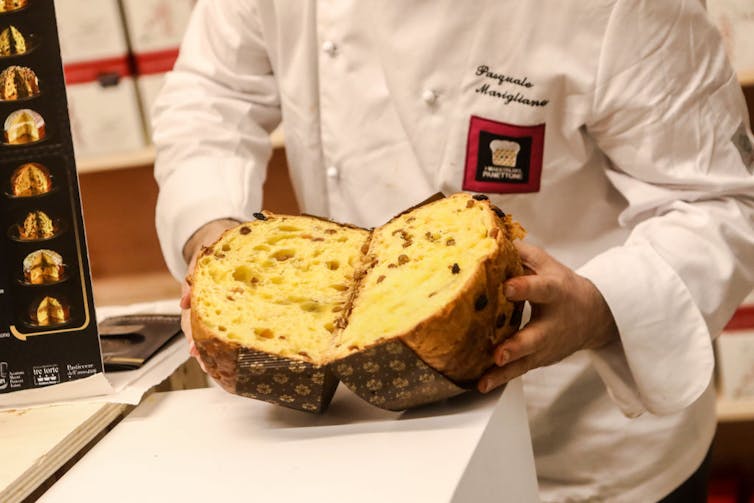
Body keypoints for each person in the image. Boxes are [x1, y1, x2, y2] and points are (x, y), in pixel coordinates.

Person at [152, 1, 754, 501]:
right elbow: (212, 97)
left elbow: (718, 200)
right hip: (366, 433)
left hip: (582, 444)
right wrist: (212, 234)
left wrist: (598, 308)